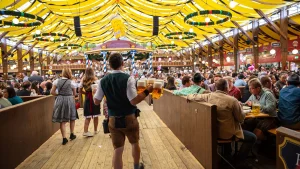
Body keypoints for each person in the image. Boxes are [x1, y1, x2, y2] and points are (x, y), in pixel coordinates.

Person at [93, 53, 153, 169]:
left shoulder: (102, 81)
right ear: (122, 63)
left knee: (118, 149)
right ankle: (136, 166)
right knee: (134, 143)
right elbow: (133, 101)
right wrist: (147, 91)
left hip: (113, 119)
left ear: (109, 65)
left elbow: (96, 101)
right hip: (129, 118)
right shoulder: (128, 78)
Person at [187, 79, 256, 169]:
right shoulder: (232, 101)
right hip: (228, 134)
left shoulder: (208, 96)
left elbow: (192, 96)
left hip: (213, 133)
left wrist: (189, 96)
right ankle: (239, 161)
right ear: (226, 88)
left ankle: (227, 157)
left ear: (216, 87)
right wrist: (240, 109)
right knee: (252, 137)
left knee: (227, 127)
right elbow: (241, 119)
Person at [51, 68, 77, 145]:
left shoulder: (56, 81)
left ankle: (64, 138)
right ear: (69, 73)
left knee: (62, 120)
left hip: (60, 99)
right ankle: (72, 134)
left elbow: (52, 92)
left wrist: (59, 95)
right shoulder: (71, 82)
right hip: (69, 99)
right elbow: (74, 94)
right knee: (72, 117)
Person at [79, 67, 101, 137]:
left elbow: (79, 90)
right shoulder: (95, 79)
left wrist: (85, 93)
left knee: (87, 116)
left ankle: (85, 131)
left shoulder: (83, 79)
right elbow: (98, 90)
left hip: (87, 98)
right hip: (94, 98)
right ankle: (95, 130)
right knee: (96, 115)